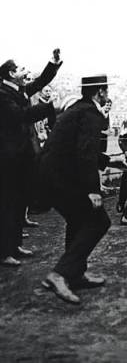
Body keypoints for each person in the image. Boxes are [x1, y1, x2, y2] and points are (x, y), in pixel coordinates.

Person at [40, 74, 126, 304]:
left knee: (78, 221)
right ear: (100, 92)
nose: (107, 95)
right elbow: (85, 153)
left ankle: (75, 274)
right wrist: (93, 190)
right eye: (106, 91)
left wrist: (109, 161)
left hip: (52, 177)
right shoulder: (91, 114)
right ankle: (59, 274)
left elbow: (78, 149)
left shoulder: (79, 109)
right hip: (60, 180)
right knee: (99, 221)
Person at [0, 49, 62, 267]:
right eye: (21, 69)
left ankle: (15, 245)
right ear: (10, 74)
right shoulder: (3, 95)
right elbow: (20, 116)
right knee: (7, 204)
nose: (25, 72)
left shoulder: (18, 90)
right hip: (8, 160)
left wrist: (53, 63)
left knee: (19, 202)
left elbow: (41, 80)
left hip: (23, 157)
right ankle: (4, 252)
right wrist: (49, 108)